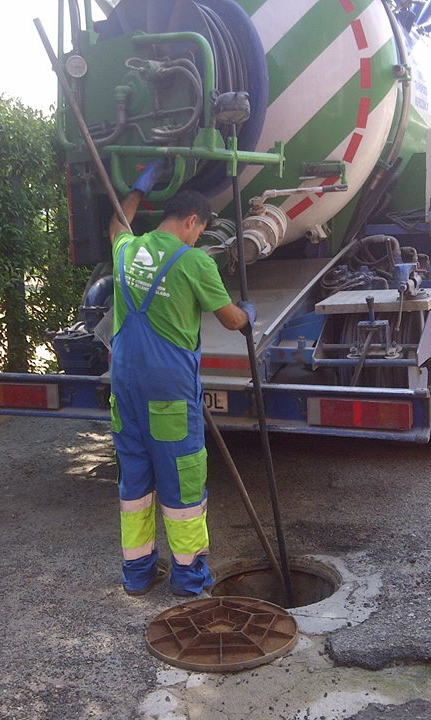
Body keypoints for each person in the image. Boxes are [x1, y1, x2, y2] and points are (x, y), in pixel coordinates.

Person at [108, 161, 257, 597]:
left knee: (134, 482)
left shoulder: (127, 250)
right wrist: (248, 315)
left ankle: (136, 575)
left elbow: (117, 223)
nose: (196, 238)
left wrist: (139, 186)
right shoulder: (194, 263)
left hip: (125, 391)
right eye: (199, 230)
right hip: (168, 393)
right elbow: (230, 321)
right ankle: (188, 579)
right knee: (182, 482)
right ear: (192, 222)